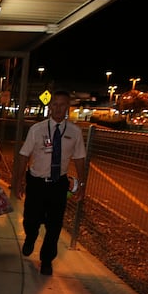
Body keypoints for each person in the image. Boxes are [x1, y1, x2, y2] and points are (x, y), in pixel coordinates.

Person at [14, 89, 87, 276]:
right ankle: (30, 237)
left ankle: (46, 259)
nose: (58, 108)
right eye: (54, 104)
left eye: (62, 104)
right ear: (49, 106)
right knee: (31, 219)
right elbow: (23, 155)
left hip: (58, 184)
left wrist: (82, 184)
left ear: (67, 108)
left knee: (55, 225)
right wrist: (19, 181)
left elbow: (79, 159)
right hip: (36, 183)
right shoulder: (36, 129)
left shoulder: (75, 132)